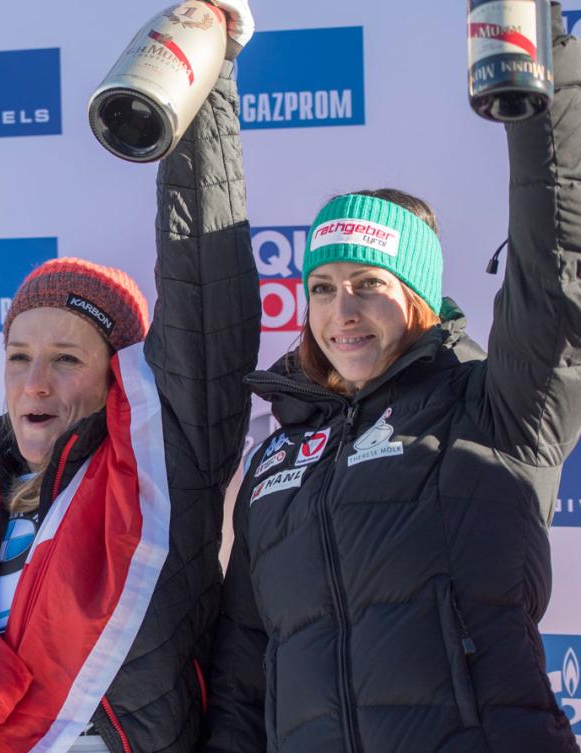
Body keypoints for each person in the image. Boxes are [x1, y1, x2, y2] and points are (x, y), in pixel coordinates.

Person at [205, 6, 581, 753]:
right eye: (321, 286)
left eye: (367, 284)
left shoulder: (488, 406)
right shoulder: (277, 456)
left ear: (415, 297)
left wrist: (541, 59)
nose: (340, 311)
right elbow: (246, 670)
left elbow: (554, 272)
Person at [0, 3, 260, 751]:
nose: (35, 383)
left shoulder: (157, 471)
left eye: (66, 359)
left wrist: (206, 79)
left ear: (116, 383)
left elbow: (206, 298)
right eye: (19, 357)